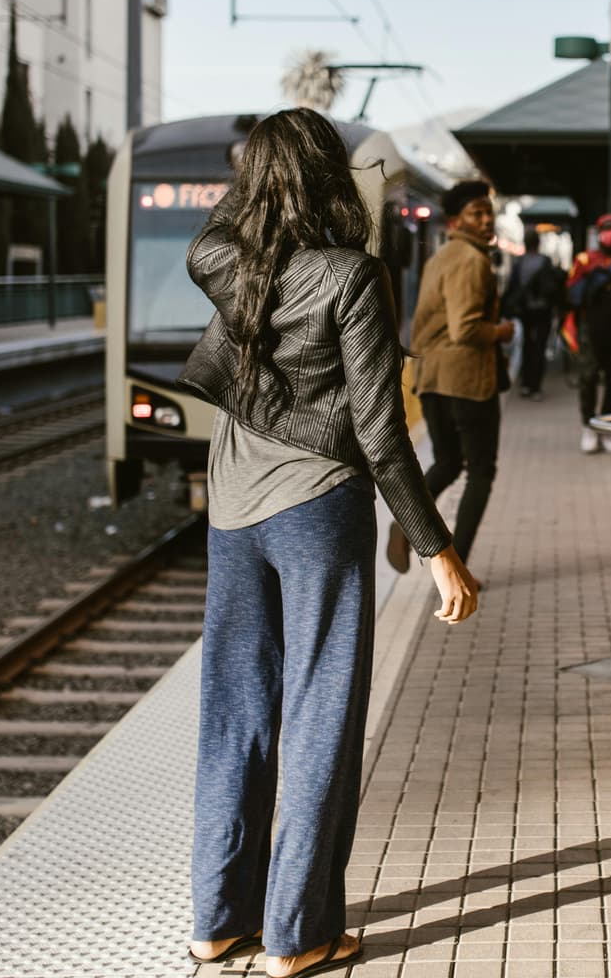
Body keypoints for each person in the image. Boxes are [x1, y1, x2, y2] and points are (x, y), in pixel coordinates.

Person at [178, 108, 480, 977]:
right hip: (319, 509)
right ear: (327, 178)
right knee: (319, 714)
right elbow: (382, 435)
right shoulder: (353, 275)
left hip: (233, 512)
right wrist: (437, 547)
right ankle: (297, 933)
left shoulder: (220, 261)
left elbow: (223, 227)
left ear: (253, 184)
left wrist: (256, 184)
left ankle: (216, 921)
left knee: (233, 713)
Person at [409, 179, 513, 571]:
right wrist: (502, 331)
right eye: (477, 213)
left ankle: (407, 525)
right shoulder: (472, 260)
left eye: (488, 212)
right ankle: (459, 566)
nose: (487, 220)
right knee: (481, 471)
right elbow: (466, 329)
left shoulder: (440, 256)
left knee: (448, 462)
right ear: (456, 221)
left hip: (432, 378)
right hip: (467, 382)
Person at [563, 213, 611, 455]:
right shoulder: (585, 261)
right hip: (590, 331)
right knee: (589, 378)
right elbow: (572, 294)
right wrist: (596, 279)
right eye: (607, 229)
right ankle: (589, 425)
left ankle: (607, 429)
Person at [500, 226, 564, 400]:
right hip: (544, 310)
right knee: (540, 347)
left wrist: (505, 309)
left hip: (526, 311)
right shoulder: (545, 261)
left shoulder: (519, 263)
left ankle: (526, 384)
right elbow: (553, 288)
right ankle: (536, 386)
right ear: (538, 243)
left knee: (527, 345)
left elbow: (512, 287)